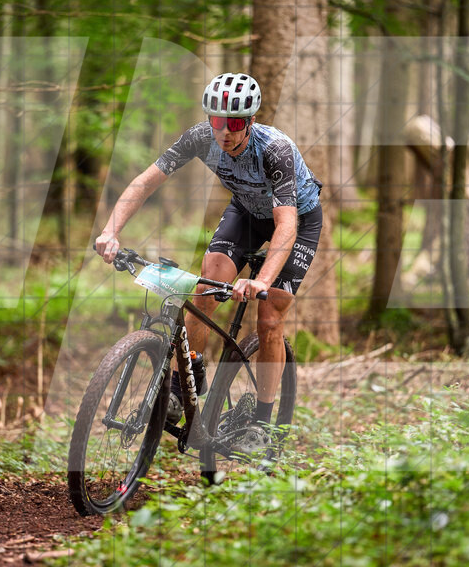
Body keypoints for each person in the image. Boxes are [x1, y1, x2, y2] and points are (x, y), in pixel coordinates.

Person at [95, 72, 322, 454]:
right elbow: (145, 182)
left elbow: (286, 224)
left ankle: (263, 424)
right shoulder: (200, 138)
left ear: (250, 121)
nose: (224, 132)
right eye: (217, 121)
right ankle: (186, 385)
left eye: (234, 124)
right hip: (246, 212)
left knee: (269, 316)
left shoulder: (275, 149)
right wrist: (110, 231)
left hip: (296, 218)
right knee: (204, 291)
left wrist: (261, 281)